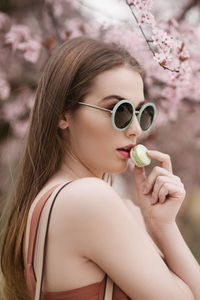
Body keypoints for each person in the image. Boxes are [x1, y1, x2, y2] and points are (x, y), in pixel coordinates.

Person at [0, 36, 200, 300]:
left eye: (142, 113)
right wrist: (164, 231)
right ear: (63, 114)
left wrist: (159, 222)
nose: (136, 129)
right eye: (118, 110)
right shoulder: (89, 199)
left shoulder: (47, 201)